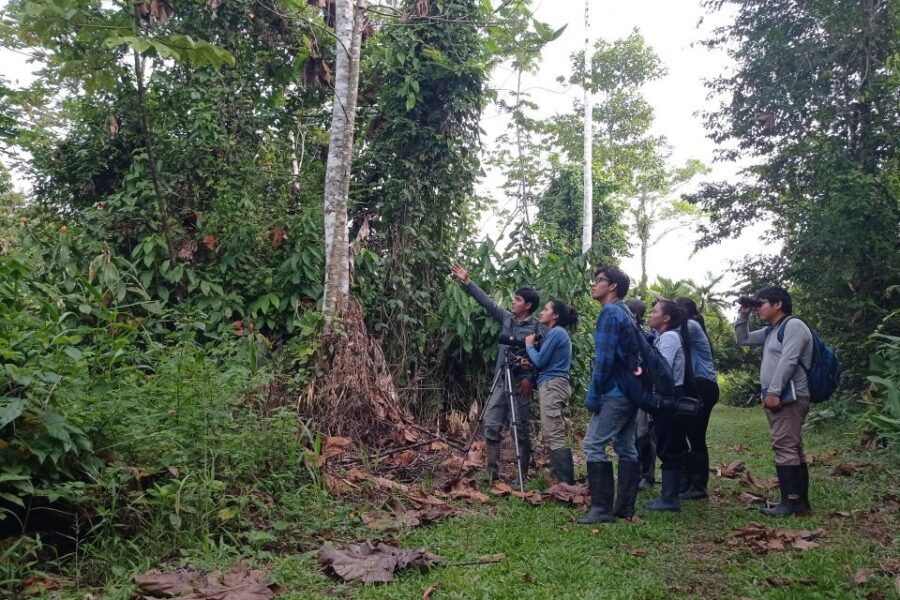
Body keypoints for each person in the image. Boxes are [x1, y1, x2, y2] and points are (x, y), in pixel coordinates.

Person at [450, 264, 547, 485]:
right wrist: (467, 281)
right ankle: (491, 471)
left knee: (519, 428)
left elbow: (544, 358)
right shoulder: (506, 318)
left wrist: (530, 378)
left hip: (521, 384)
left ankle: (522, 475)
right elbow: (487, 302)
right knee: (491, 422)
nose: (513, 301)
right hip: (501, 380)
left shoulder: (539, 328)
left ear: (528, 305)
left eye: (518, 300)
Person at [735, 286, 813, 517]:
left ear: (778, 304)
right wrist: (743, 315)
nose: (757, 309)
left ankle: (790, 503)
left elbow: (789, 360)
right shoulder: (772, 330)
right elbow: (744, 339)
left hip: (790, 396)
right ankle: (799, 502)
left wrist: (774, 392)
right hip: (781, 395)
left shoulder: (793, 326)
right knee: (792, 447)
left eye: (761, 304)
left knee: (784, 446)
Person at [578, 266, 641, 524]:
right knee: (625, 446)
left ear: (612, 286)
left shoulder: (610, 313)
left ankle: (601, 509)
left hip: (614, 392)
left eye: (599, 280)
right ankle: (624, 507)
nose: (593, 284)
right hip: (630, 390)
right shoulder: (627, 313)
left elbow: (604, 360)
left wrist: (594, 394)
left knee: (593, 444)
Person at [524, 300, 579, 484]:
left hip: (552, 385)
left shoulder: (556, 332)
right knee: (551, 431)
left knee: (553, 432)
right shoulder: (556, 333)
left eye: (546, 309)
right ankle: (559, 477)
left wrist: (529, 346)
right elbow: (545, 361)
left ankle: (566, 483)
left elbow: (540, 361)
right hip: (552, 384)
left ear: (555, 315)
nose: (541, 312)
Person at [643, 299, 688, 512]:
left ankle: (670, 498)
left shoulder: (669, 337)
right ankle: (671, 495)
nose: (650, 315)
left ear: (666, 318)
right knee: (666, 443)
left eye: (654, 312)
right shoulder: (663, 337)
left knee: (669, 444)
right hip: (666, 396)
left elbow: (662, 368)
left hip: (668, 396)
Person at [674, 296, 719, 500]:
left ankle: (698, 486)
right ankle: (688, 483)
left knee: (695, 434)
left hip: (702, 385)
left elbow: (668, 334)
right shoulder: (690, 326)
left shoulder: (690, 326)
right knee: (685, 431)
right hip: (697, 385)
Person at [627, 299, 656, 492]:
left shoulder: (646, 338)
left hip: (642, 391)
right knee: (631, 434)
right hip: (628, 391)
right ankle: (634, 474)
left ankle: (647, 475)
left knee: (643, 434)